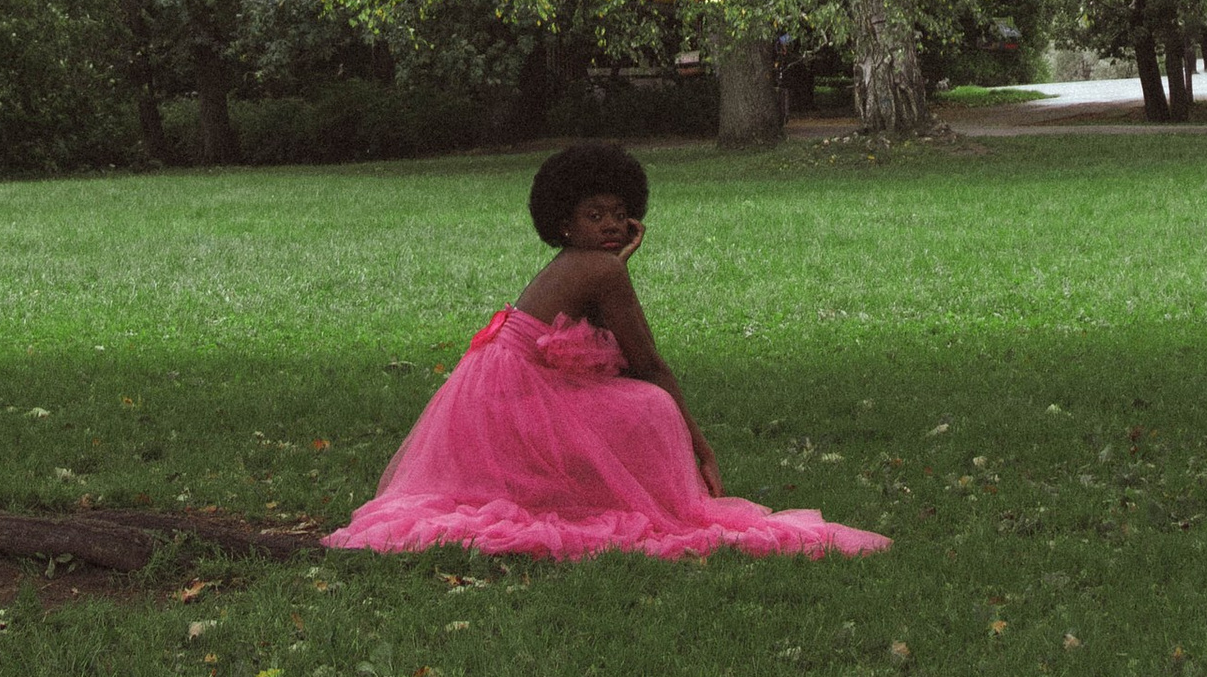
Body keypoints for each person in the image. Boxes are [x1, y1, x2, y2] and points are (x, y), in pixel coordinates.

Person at [321, 139, 891, 563]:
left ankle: (601, 499)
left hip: (491, 392)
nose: (613, 226)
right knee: (651, 405)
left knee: (629, 401)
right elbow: (649, 364)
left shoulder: (585, 265)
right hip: (511, 397)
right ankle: (646, 505)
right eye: (595, 216)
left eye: (620, 214)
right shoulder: (600, 270)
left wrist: (615, 261)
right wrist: (701, 446)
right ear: (564, 223)